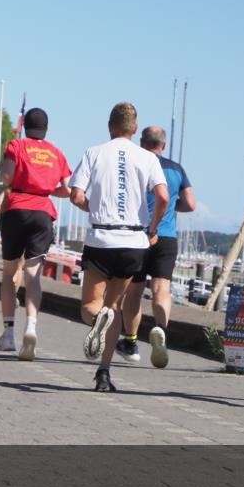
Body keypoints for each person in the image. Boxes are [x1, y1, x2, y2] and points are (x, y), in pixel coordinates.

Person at [69, 102, 168, 392]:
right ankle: (103, 373)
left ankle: (97, 320)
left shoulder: (94, 152)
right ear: (134, 129)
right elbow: (163, 196)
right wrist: (152, 228)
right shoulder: (148, 158)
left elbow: (76, 195)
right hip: (134, 242)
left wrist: (94, 208)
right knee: (114, 307)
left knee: (91, 307)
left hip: (102, 237)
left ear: (110, 126)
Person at [0, 109, 72, 359]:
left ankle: (8, 334)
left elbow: (7, 177)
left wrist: (13, 182)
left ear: (25, 126)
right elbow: (67, 189)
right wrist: (46, 189)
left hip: (17, 209)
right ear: (46, 128)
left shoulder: (16, 145)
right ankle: (31, 326)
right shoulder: (56, 153)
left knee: (9, 273)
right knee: (33, 276)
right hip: (43, 213)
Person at [116, 126, 195, 367]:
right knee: (162, 289)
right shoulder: (176, 169)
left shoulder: (135, 163)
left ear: (142, 142)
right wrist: (171, 206)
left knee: (135, 291)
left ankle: (130, 342)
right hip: (167, 236)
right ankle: (161, 329)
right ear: (164, 145)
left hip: (139, 235)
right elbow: (190, 204)